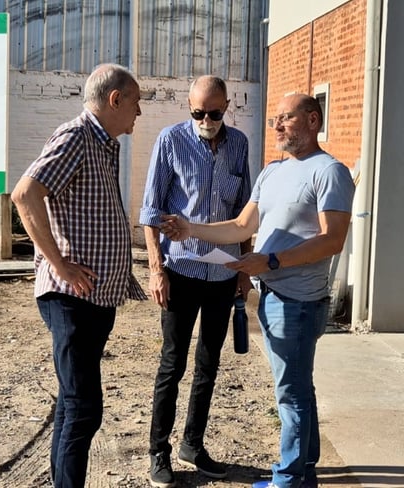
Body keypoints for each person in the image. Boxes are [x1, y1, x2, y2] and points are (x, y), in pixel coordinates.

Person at [159, 93, 355, 488]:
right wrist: (191, 229)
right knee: (299, 388)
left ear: (313, 120)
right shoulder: (272, 172)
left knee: (291, 395)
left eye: (286, 118)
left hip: (299, 301)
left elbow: (332, 240)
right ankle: (304, 472)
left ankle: (288, 480)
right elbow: (241, 226)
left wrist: (272, 261)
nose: (277, 126)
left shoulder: (329, 171)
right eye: (274, 119)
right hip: (273, 297)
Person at [11, 63, 147, 488]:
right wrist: (59, 264)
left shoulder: (104, 144)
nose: (139, 112)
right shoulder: (76, 136)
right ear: (115, 99)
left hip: (94, 298)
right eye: (136, 102)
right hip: (71, 298)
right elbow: (25, 194)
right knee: (84, 407)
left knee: (74, 406)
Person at [139, 75, 252, 487]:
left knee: (209, 364)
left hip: (222, 273)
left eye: (214, 113)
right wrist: (156, 269)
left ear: (227, 107)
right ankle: (159, 451)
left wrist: (243, 270)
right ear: (189, 107)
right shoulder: (171, 141)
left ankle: (192, 444)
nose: (206, 120)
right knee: (173, 363)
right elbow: (151, 211)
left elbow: (245, 214)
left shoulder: (239, 145)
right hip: (181, 271)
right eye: (198, 113)